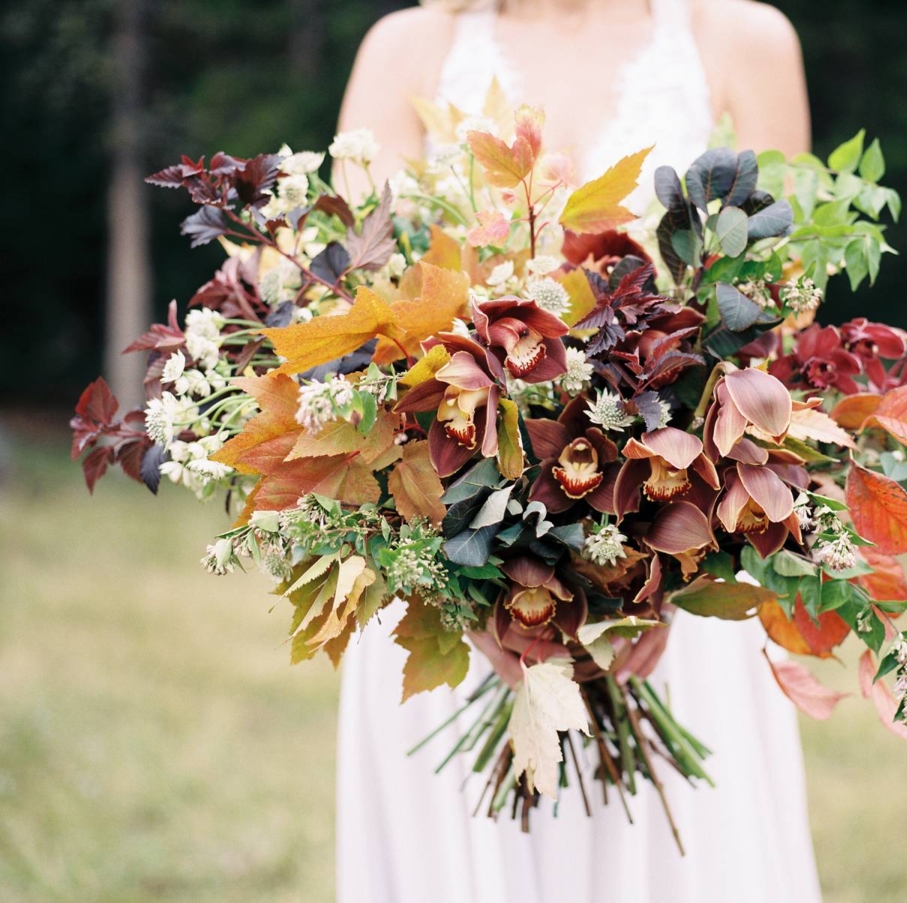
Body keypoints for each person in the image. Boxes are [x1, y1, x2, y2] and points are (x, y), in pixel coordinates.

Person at [334, 2, 821, 900]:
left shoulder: (743, 40)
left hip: (680, 568)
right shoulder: (407, 48)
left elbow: (780, 336)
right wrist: (469, 587)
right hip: (447, 582)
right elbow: (359, 334)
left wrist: (666, 573)